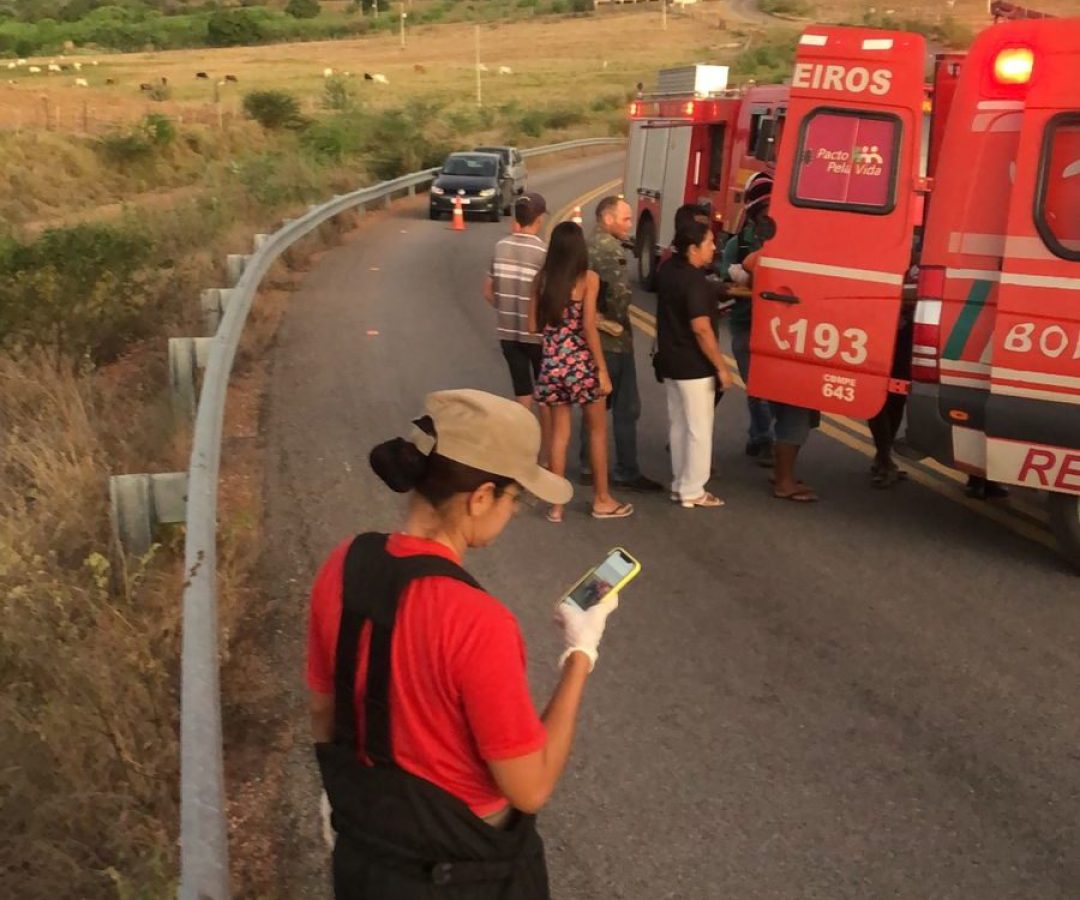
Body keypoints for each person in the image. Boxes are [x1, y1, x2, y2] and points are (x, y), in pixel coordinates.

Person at [308, 389, 622, 899]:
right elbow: (531, 786)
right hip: (464, 873)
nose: (513, 510)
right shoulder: (478, 621)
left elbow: (324, 714)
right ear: (480, 498)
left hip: (366, 854)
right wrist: (580, 652)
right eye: (513, 496)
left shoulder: (343, 563)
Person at [531, 222, 633, 523]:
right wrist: (601, 369)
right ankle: (602, 499)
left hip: (551, 365)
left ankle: (556, 506)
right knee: (596, 431)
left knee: (560, 435)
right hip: (581, 365)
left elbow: (532, 327)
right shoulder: (588, 279)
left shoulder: (541, 280)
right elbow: (588, 325)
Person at [579, 196, 663, 493]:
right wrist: (614, 320)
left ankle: (588, 464)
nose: (631, 224)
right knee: (627, 408)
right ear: (608, 219)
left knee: (595, 405)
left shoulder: (589, 244)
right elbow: (619, 296)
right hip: (613, 341)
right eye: (626, 219)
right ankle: (626, 469)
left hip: (591, 338)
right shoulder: (609, 250)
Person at [655, 219, 735, 509]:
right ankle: (694, 490)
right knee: (699, 429)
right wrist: (721, 367)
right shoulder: (694, 281)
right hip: (694, 366)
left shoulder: (668, 272)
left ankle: (680, 483)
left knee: (678, 425)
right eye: (709, 242)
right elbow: (701, 328)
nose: (714, 247)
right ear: (693, 248)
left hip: (671, 362)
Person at [740, 248, 820, 502]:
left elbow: (747, 265)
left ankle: (782, 473)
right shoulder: (789, 254)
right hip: (787, 340)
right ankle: (784, 481)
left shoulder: (772, 254)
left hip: (779, 338)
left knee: (791, 412)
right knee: (794, 413)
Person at [720, 184, 776, 467]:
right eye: (764, 213)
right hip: (745, 323)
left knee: (771, 387)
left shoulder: (786, 243)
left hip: (778, 327)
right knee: (756, 386)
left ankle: (759, 436)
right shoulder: (737, 245)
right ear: (754, 217)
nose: (770, 217)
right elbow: (725, 281)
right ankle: (763, 437)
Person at [484, 193, 550, 413]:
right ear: (539, 219)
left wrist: (505, 305)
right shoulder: (543, 252)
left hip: (507, 332)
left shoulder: (499, 247)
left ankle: (524, 435)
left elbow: (488, 292)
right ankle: (546, 440)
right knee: (545, 392)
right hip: (536, 334)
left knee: (522, 391)